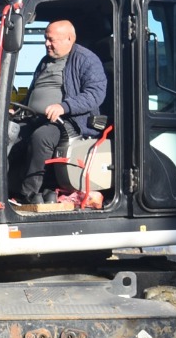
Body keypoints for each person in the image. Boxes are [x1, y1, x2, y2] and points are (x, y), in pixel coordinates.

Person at [14, 20, 107, 204]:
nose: (46, 44)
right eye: (45, 39)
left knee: (42, 137)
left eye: (51, 39)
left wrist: (64, 107)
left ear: (69, 38)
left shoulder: (86, 60)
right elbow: (36, 90)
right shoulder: (45, 61)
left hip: (71, 120)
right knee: (7, 135)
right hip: (35, 117)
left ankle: (28, 194)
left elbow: (95, 94)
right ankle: (6, 189)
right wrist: (18, 108)